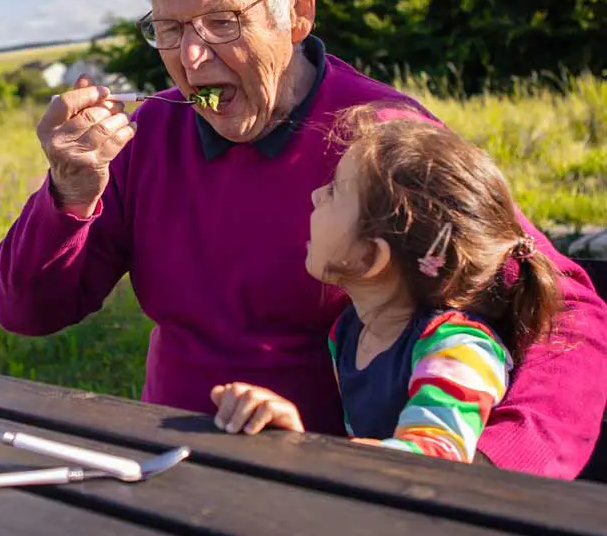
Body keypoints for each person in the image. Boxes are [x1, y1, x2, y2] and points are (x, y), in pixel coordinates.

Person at [0, 0, 607, 478]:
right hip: (169, 466)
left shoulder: (383, 137)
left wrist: (491, 470)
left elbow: (566, 311)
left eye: (222, 21)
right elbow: (29, 311)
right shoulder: (146, 134)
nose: (193, 59)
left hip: (332, 489)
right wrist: (70, 192)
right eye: (171, 30)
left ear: (297, 9)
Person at [208, 103, 564, 464]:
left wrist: (314, 455)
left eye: (335, 192)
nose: (316, 196)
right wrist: (289, 435)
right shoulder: (350, 332)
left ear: (371, 258)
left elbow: (435, 462)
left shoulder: (458, 349)